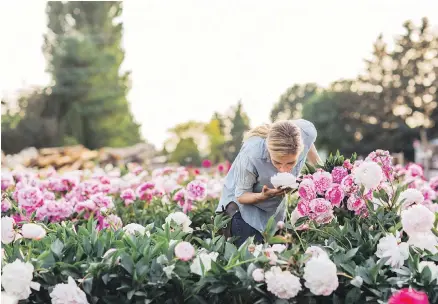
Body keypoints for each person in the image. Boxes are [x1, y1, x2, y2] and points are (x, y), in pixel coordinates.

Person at [216, 119, 322, 247]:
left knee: (274, 255)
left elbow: (310, 148)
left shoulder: (305, 132)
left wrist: (321, 173)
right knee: (250, 257)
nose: (283, 169)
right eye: (277, 162)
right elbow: (242, 195)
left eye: (290, 163)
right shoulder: (252, 153)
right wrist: (263, 196)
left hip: (272, 207)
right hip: (242, 206)